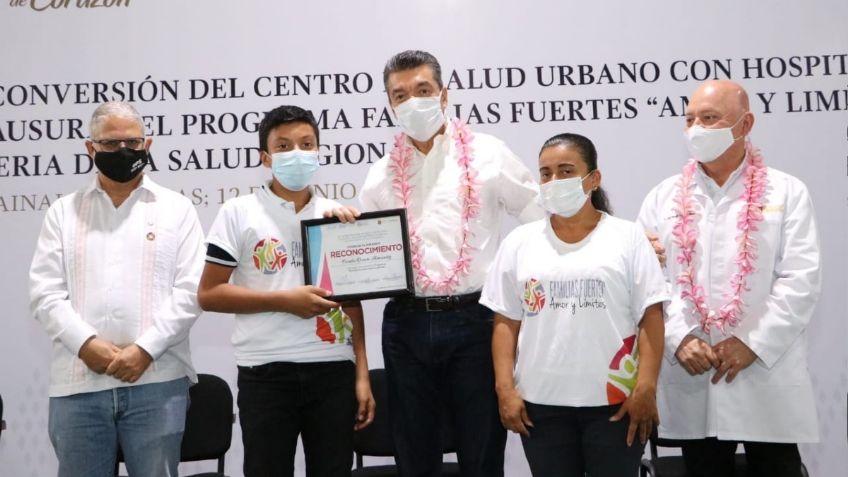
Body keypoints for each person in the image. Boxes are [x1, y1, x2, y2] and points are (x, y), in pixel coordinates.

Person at [330, 49, 543, 477]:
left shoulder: (488, 153)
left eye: (422, 90)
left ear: (444, 95)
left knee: (481, 448)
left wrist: (605, 237)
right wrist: (342, 232)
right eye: (400, 94)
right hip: (405, 324)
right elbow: (366, 254)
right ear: (390, 105)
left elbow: (540, 216)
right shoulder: (380, 175)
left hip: (475, 321)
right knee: (413, 451)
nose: (412, 101)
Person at [637, 79, 821, 477]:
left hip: (765, 372)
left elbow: (800, 279)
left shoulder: (786, 192)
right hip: (693, 372)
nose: (696, 129)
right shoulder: (662, 197)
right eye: (689, 119)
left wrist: (752, 343)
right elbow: (646, 283)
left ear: (745, 123)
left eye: (710, 118)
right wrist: (679, 337)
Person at [28, 101, 205, 477]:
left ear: (148, 144)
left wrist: (145, 349)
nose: (123, 151)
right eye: (110, 144)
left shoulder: (178, 209)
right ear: (90, 148)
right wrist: (85, 344)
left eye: (133, 142)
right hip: (78, 383)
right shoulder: (62, 212)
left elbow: (191, 291)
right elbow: (45, 292)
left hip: (156, 379)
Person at [197, 105, 374, 477]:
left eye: (307, 144)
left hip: (333, 372)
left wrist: (362, 375)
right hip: (265, 373)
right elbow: (210, 293)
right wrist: (284, 301)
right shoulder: (238, 212)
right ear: (265, 157)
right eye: (283, 145)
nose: (297, 153)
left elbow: (352, 303)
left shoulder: (336, 215)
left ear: (319, 151)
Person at [483, 133, 668, 476]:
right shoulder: (519, 243)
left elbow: (651, 317)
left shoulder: (628, 238)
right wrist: (504, 389)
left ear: (593, 178)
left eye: (566, 171)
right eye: (546, 173)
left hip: (615, 405)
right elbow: (505, 322)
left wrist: (646, 387)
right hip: (541, 406)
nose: (554, 181)